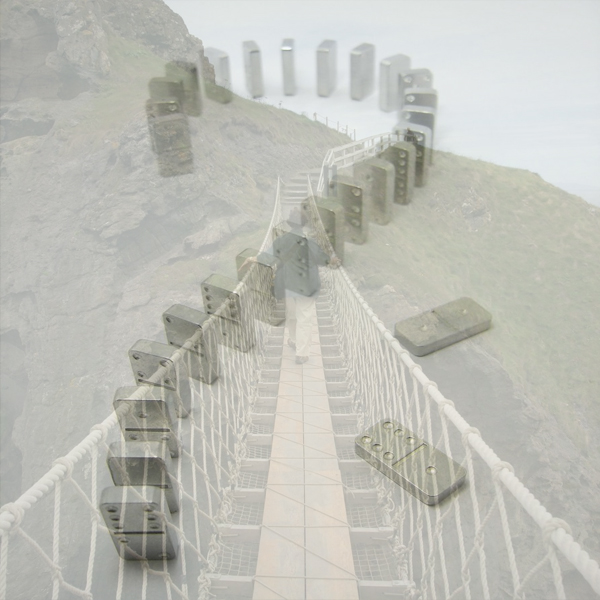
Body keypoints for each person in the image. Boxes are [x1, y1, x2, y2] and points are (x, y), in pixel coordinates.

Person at [273, 215, 340, 363]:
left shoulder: (281, 241)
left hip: (288, 284)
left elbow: (272, 256)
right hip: (306, 287)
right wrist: (333, 259)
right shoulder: (310, 243)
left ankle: (293, 339)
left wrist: (254, 258)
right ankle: (301, 353)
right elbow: (323, 259)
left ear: (290, 226)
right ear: (304, 226)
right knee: (304, 317)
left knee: (291, 314)